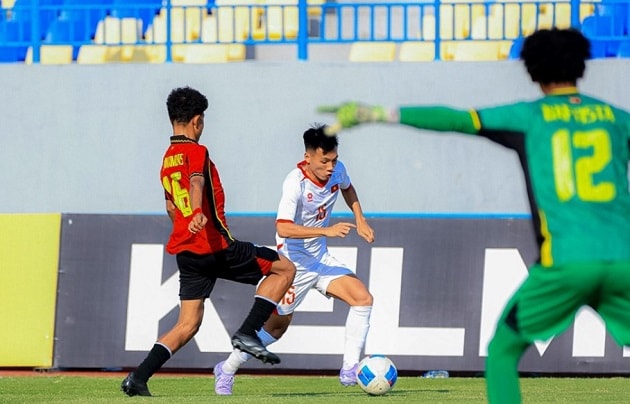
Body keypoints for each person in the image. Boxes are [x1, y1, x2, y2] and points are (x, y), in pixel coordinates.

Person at [320, 28, 630, 403]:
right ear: (582, 66)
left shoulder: (529, 117)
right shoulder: (617, 119)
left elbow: (457, 119)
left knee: (502, 352)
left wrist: (379, 114)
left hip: (565, 263)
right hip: (623, 262)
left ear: (531, 71)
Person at [121, 86, 296, 397]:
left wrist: (187, 223)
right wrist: (198, 212)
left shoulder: (167, 160)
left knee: (188, 324)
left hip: (187, 252)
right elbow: (196, 181)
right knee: (284, 269)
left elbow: (170, 207)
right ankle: (247, 333)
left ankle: (138, 377)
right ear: (197, 120)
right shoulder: (196, 151)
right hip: (214, 245)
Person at [212, 124, 375, 395]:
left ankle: (349, 367)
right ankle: (227, 369)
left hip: (320, 258)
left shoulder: (338, 170)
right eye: (324, 161)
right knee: (274, 330)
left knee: (363, 299)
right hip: (293, 265)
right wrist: (326, 231)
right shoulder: (294, 183)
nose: (330, 167)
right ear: (307, 157)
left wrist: (360, 219)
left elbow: (348, 188)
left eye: (334, 160)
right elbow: (283, 228)